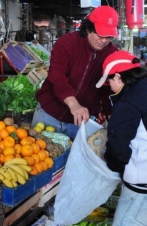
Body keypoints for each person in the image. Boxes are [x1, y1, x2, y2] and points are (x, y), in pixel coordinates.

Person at [96, 50, 147, 226]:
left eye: (109, 81)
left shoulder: (129, 103)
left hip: (146, 191)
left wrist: (109, 163)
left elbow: (118, 151)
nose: (109, 85)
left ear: (117, 76)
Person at [32, 5, 119, 139]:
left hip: (80, 122)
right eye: (100, 34)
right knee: (38, 157)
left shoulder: (112, 54)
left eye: (108, 37)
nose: (103, 41)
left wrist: (109, 113)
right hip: (48, 114)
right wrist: (74, 104)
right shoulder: (66, 43)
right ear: (89, 28)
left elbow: (108, 90)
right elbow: (57, 76)